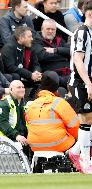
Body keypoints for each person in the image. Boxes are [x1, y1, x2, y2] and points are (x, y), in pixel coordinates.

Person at [26, 71, 79, 153]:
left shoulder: (32, 104)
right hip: (58, 145)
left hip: (35, 146)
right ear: (57, 87)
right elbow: (75, 127)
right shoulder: (60, 103)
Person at [68, 0, 92, 174]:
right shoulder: (82, 32)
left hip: (90, 81)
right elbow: (78, 59)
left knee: (90, 120)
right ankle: (84, 160)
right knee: (87, 119)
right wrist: (88, 83)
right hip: (80, 82)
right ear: (89, 14)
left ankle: (75, 152)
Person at [32, 19, 70, 88]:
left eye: (53, 29)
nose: (50, 31)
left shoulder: (59, 40)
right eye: (48, 29)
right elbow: (42, 56)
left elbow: (70, 51)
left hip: (67, 71)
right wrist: (63, 54)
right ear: (42, 29)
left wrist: (56, 50)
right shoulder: (36, 41)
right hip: (50, 73)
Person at [0, 80, 28, 147]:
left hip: (17, 136)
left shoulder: (23, 103)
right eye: (19, 87)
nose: (22, 89)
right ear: (11, 89)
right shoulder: (4, 104)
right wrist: (17, 136)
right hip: (2, 139)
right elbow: (3, 123)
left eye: (23, 87)